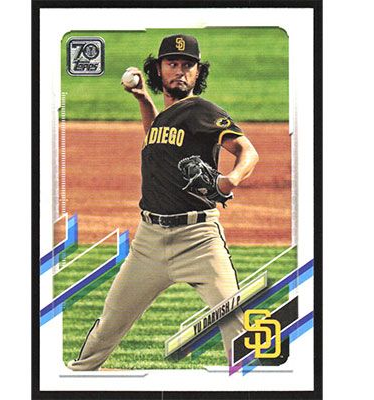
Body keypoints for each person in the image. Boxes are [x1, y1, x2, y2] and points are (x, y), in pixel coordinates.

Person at [68, 34, 259, 371]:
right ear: (159, 69)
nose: (180, 71)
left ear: (198, 72)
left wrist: (231, 179)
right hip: (149, 243)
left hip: (199, 240)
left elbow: (248, 151)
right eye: (172, 63)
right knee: (110, 322)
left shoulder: (202, 111)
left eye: (188, 65)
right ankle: (75, 379)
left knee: (233, 320)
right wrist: (143, 98)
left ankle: (254, 385)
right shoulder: (165, 117)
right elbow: (156, 135)